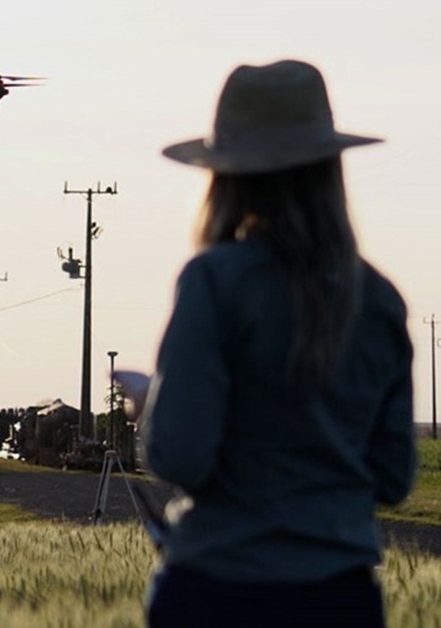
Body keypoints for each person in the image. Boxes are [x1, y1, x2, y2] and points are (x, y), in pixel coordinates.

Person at [140, 59, 417, 627]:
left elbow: (180, 456)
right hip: (342, 600)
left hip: (217, 591)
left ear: (227, 177)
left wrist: (150, 405)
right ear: (329, 170)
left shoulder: (214, 283)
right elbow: (393, 476)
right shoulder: (381, 299)